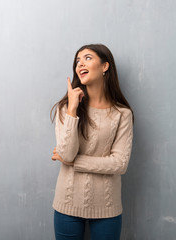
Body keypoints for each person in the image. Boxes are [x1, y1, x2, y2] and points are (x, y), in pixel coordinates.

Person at [50, 43, 134, 240]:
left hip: (107, 208)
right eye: (77, 61)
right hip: (67, 204)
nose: (80, 64)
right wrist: (72, 108)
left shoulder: (122, 114)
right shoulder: (65, 108)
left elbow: (120, 164)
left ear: (105, 66)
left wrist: (75, 163)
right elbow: (67, 153)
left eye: (87, 58)